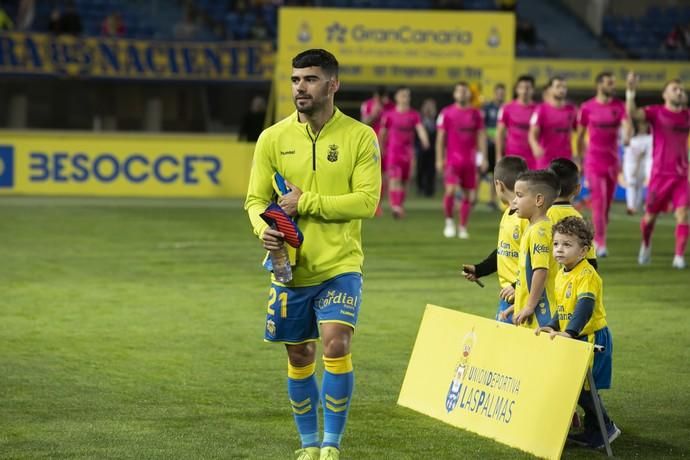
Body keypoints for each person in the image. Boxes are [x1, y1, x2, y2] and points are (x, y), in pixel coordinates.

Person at [244, 49, 381, 460]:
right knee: (300, 354)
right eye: (295, 79)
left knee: (336, 345)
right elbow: (254, 200)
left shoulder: (360, 136)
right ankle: (307, 444)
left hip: (340, 265)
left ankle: (331, 444)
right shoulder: (272, 138)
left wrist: (306, 202)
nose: (300, 87)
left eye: (310, 79)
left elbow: (367, 202)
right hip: (290, 270)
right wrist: (265, 229)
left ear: (333, 85)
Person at [537, 216, 620, 449]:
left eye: (566, 244)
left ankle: (606, 428)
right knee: (578, 387)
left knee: (583, 389)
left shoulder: (587, 275)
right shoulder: (563, 272)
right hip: (573, 336)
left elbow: (584, 306)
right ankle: (595, 432)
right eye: (556, 244)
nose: (559, 249)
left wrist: (570, 332)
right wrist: (553, 326)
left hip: (591, 338)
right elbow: (564, 308)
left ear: (583, 251)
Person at [626, 73, 690, 269]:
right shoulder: (656, 112)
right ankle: (646, 244)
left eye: (681, 90)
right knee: (650, 218)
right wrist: (630, 91)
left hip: (682, 175)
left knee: (683, 214)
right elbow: (633, 114)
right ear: (664, 94)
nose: (679, 92)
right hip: (660, 175)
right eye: (675, 89)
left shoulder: (687, 115)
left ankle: (679, 256)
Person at [462, 156, 529, 323]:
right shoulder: (508, 213)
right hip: (508, 296)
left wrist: (517, 287)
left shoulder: (526, 217)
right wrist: (479, 269)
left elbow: (536, 259)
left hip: (523, 296)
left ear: (498, 185)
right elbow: (504, 251)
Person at [576, 72, 629, 257]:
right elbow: (580, 136)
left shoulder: (619, 106)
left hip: (613, 162)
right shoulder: (587, 107)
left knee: (606, 206)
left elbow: (627, 127)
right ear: (599, 85)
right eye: (609, 83)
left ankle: (596, 237)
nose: (613, 86)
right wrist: (580, 158)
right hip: (594, 161)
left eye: (614, 83)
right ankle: (600, 243)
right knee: (599, 202)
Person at [509, 169, 561, 327]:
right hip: (530, 309)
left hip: (542, 313)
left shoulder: (540, 231)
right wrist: (517, 305)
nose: (514, 201)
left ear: (538, 200)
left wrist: (530, 306)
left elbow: (541, 271)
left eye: (519, 195)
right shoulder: (533, 227)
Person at [437, 81, 488, 238]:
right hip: (452, 159)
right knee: (451, 190)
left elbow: (481, 136)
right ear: (454, 94)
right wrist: (439, 158)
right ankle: (449, 222)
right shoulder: (446, 113)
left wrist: (483, 157)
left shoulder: (476, 114)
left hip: (470, 160)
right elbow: (440, 138)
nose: (462, 94)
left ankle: (463, 227)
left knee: (469, 196)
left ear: (469, 94)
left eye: (465, 91)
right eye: (459, 91)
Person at [379, 87, 430, 218]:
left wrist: (425, 140)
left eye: (407, 95)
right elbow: (383, 133)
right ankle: (395, 206)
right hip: (393, 152)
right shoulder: (389, 115)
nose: (405, 98)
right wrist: (380, 147)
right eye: (402, 95)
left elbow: (420, 128)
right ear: (396, 97)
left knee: (405, 182)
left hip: (408, 154)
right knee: (394, 179)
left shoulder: (414, 115)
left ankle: (399, 205)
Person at [548, 158, 598, 269]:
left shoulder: (539, 217)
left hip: (541, 285)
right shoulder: (579, 220)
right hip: (571, 285)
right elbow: (591, 262)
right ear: (577, 189)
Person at [529, 76, 578, 169]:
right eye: (558, 86)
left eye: (564, 87)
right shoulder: (540, 110)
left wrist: (579, 154)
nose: (561, 90)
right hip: (545, 162)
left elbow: (580, 132)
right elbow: (532, 134)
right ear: (550, 90)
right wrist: (535, 146)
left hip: (566, 161)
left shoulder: (572, 110)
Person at [361, 87, 394, 215]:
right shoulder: (367, 105)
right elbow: (364, 122)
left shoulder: (391, 106)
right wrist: (374, 114)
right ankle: (370, 203)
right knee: (371, 176)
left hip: (388, 145)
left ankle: (383, 205)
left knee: (386, 177)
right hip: (370, 144)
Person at [496, 75, 538, 169]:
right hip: (512, 158)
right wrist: (498, 155)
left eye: (528, 88)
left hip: (533, 159)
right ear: (517, 89)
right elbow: (500, 133)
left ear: (533, 90)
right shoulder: (506, 108)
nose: (524, 91)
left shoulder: (539, 110)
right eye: (522, 87)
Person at [481, 83, 506, 209]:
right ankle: (471, 197)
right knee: (484, 171)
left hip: (502, 145)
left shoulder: (506, 108)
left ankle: (495, 200)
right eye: (499, 92)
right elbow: (482, 126)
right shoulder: (487, 108)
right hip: (488, 145)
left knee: (498, 173)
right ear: (495, 93)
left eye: (503, 93)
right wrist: (491, 137)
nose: (500, 95)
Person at [623, 119, 652, 215]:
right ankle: (631, 206)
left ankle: (637, 206)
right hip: (630, 164)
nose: (643, 126)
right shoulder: (631, 139)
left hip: (643, 164)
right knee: (631, 184)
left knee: (640, 185)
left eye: (645, 124)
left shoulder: (650, 138)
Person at [416, 98, 438, 197]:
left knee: (431, 170)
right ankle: (420, 187)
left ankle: (430, 189)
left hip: (433, 149)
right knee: (420, 168)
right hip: (421, 149)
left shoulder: (437, 120)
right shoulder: (419, 120)